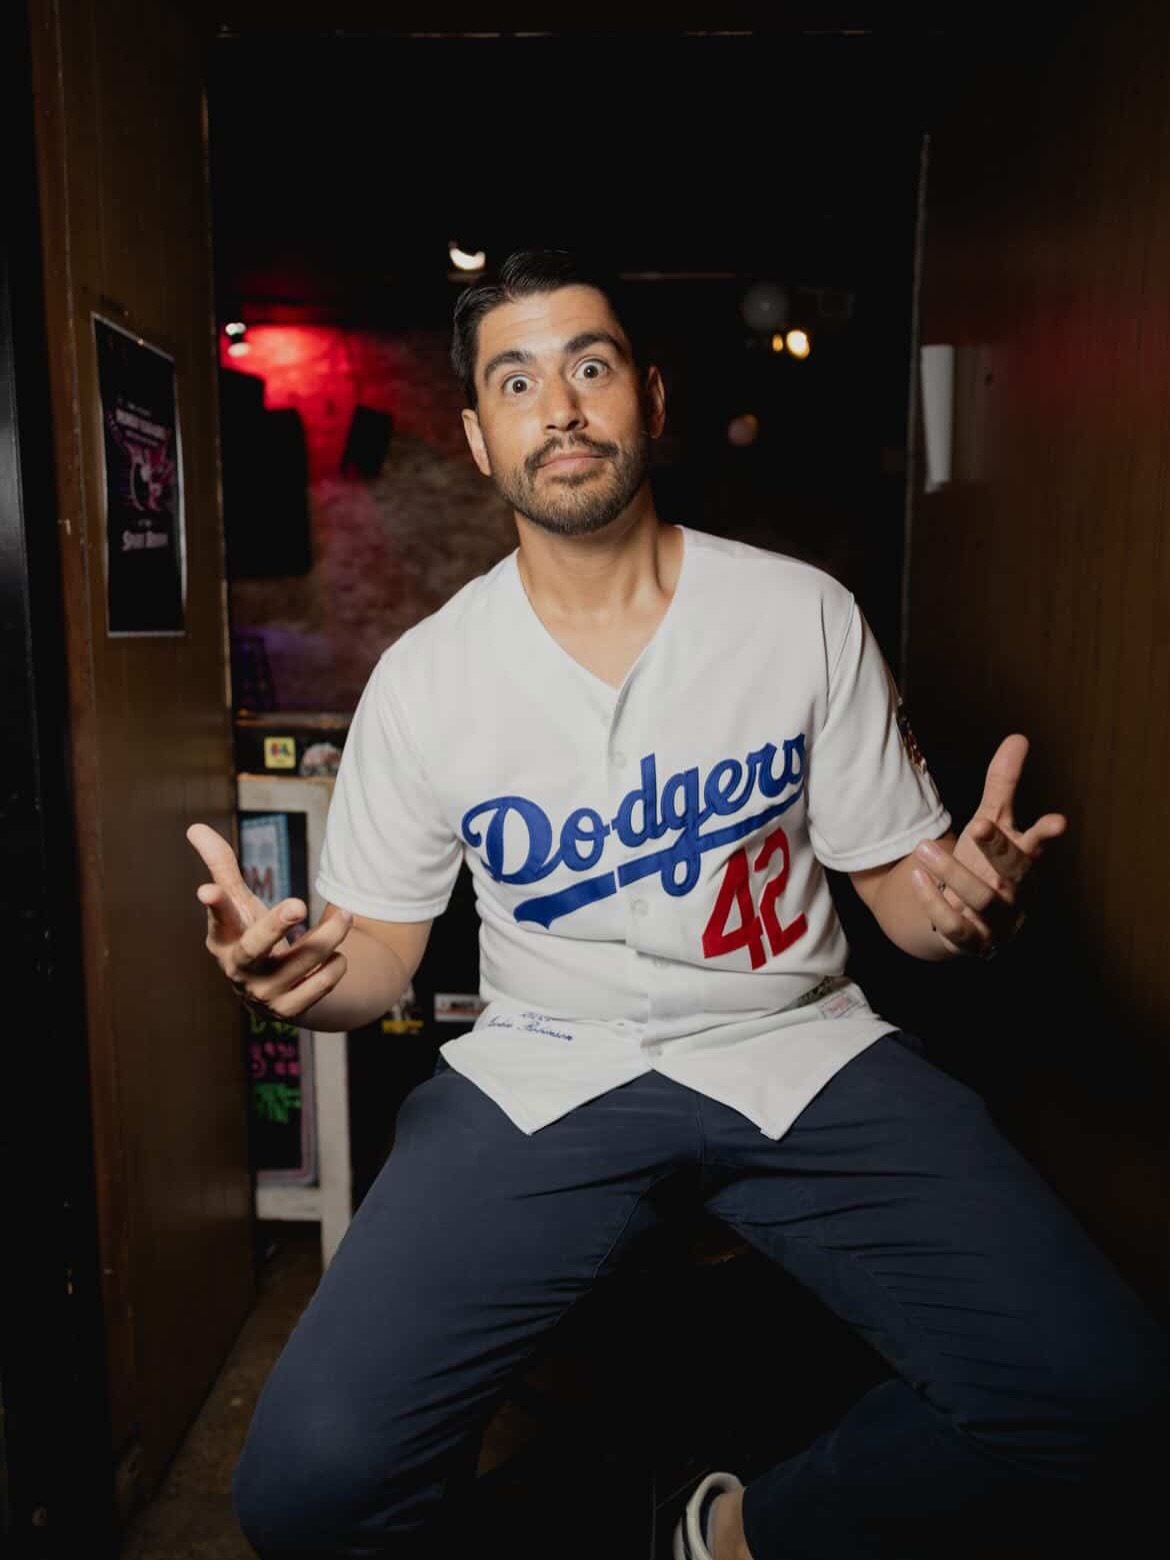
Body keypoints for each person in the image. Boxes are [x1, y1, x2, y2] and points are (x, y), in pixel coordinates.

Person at [188, 250, 1168, 1560]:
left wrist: (967, 906)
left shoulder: (797, 613)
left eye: (589, 366)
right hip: (544, 1066)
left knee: (1107, 1402)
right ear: (480, 438)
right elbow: (378, 958)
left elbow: (902, 896)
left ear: (647, 396)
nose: (563, 405)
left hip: (799, 1047)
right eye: (519, 380)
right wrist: (303, 976)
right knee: (307, 1490)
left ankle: (741, 1536)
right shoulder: (428, 681)